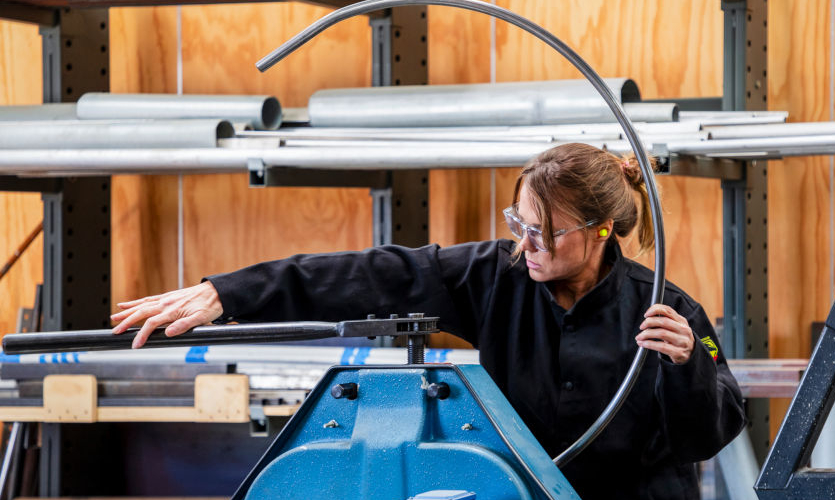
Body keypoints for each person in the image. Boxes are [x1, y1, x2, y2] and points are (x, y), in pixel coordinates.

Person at [111, 143, 745, 500]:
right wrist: (230, 292)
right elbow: (371, 273)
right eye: (517, 224)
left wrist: (690, 364)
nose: (525, 247)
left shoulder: (669, 310)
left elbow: (708, 433)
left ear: (603, 230)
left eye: (546, 234)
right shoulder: (495, 275)